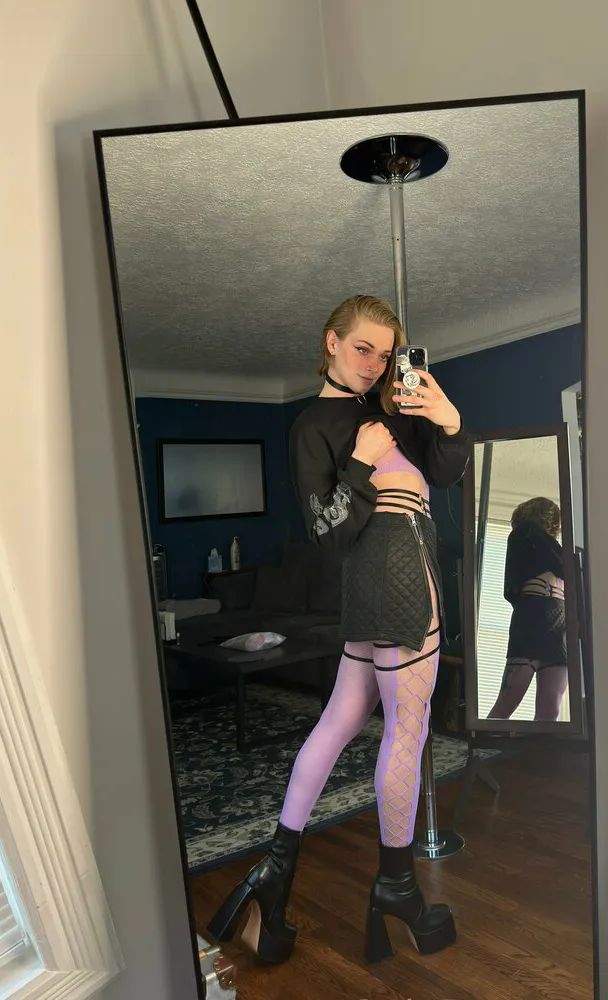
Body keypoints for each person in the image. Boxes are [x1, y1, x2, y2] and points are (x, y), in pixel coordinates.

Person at [206, 294, 471, 965]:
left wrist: (445, 418)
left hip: (380, 579)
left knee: (342, 716)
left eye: (385, 354)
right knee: (407, 729)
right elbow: (327, 532)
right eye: (362, 348)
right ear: (331, 342)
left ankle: (273, 871)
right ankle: (398, 887)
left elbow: (445, 472)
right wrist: (360, 461)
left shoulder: (390, 410)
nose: (375, 364)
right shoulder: (312, 427)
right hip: (396, 574)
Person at [485, 497, 569, 722]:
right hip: (540, 622)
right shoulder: (527, 534)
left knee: (548, 712)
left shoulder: (542, 546)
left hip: (553, 626)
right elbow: (564, 565)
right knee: (511, 704)